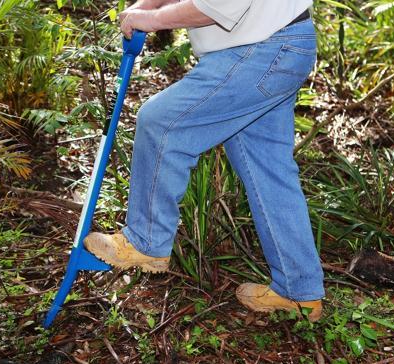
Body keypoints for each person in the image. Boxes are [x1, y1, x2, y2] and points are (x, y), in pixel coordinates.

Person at [83, 0, 326, 322]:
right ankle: (300, 293)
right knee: (267, 171)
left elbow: (216, 5)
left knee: (161, 123)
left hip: (261, 49)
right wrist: (143, 7)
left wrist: (151, 19)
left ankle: (145, 241)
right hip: (280, 44)